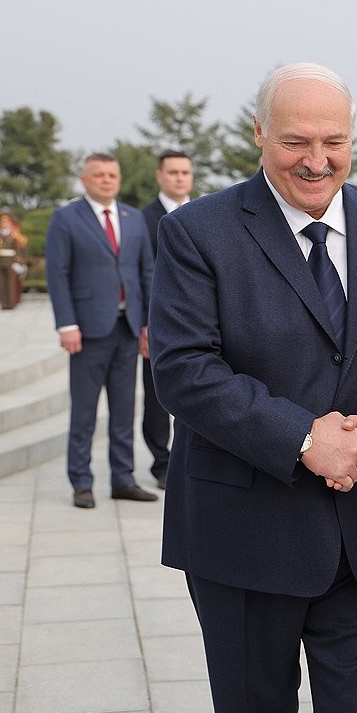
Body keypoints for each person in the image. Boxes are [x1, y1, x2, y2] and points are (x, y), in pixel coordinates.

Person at [148, 63, 357, 713]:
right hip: (245, 535)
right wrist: (304, 437)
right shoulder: (198, 232)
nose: (316, 160)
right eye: (294, 141)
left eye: (333, 140)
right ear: (258, 134)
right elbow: (184, 370)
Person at [45, 153, 156, 509]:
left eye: (112, 174)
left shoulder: (133, 218)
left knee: (124, 410)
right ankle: (81, 481)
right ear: (84, 179)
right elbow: (57, 274)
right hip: (88, 330)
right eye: (99, 175)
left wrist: (147, 324)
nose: (107, 180)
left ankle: (123, 479)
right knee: (85, 412)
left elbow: (146, 274)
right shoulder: (65, 218)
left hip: (127, 327)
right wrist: (67, 324)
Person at [139, 150, 193, 489]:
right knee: (157, 395)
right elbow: (141, 273)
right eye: (172, 172)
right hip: (157, 321)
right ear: (159, 176)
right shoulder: (141, 219)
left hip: (199, 318)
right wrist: (145, 323)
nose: (179, 178)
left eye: (185, 172)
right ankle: (161, 461)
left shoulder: (208, 215)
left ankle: (186, 459)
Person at [0, 212, 29, 309]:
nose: (4, 224)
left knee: (11, 283)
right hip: (0, 260)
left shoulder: (15, 235)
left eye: (6, 222)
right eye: (2, 222)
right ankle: (3, 303)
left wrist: (19, 262)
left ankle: (11, 303)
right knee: (1, 283)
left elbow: (19, 250)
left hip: (11, 261)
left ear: (10, 223)